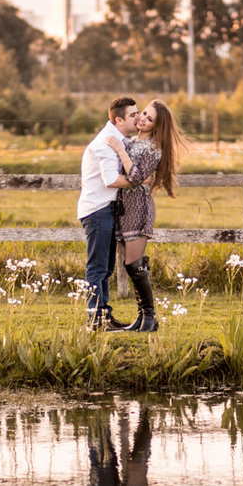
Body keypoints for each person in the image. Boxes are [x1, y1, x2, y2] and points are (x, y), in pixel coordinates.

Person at [104, 99, 187, 333]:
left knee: (132, 263)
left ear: (156, 126)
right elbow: (126, 172)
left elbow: (137, 176)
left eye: (149, 119)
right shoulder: (130, 141)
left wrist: (122, 154)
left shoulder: (153, 148)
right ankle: (143, 319)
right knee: (132, 263)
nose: (142, 118)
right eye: (143, 113)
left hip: (138, 208)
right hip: (124, 207)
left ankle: (149, 317)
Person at [77, 97, 140, 330]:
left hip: (105, 209)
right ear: (119, 120)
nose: (138, 117)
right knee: (97, 267)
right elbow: (111, 179)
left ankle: (104, 316)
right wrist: (138, 180)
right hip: (97, 210)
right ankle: (95, 321)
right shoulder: (106, 143)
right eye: (133, 115)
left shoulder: (118, 140)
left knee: (106, 267)